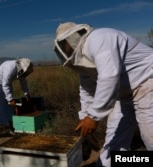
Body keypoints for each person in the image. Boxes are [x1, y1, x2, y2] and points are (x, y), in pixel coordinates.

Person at [54, 22, 153, 166]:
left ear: (73, 38)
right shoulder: (85, 62)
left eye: (66, 44)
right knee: (113, 143)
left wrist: (93, 116)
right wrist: (85, 120)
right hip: (124, 96)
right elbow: (86, 92)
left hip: (148, 84)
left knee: (150, 137)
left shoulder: (99, 38)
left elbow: (109, 77)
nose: (66, 49)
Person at [0, 58, 33, 136]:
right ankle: (4, 128)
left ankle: (12, 126)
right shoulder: (10, 68)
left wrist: (27, 94)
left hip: (5, 83)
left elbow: (23, 82)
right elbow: (5, 84)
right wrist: (10, 99)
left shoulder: (21, 70)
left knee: (9, 105)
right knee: (2, 104)